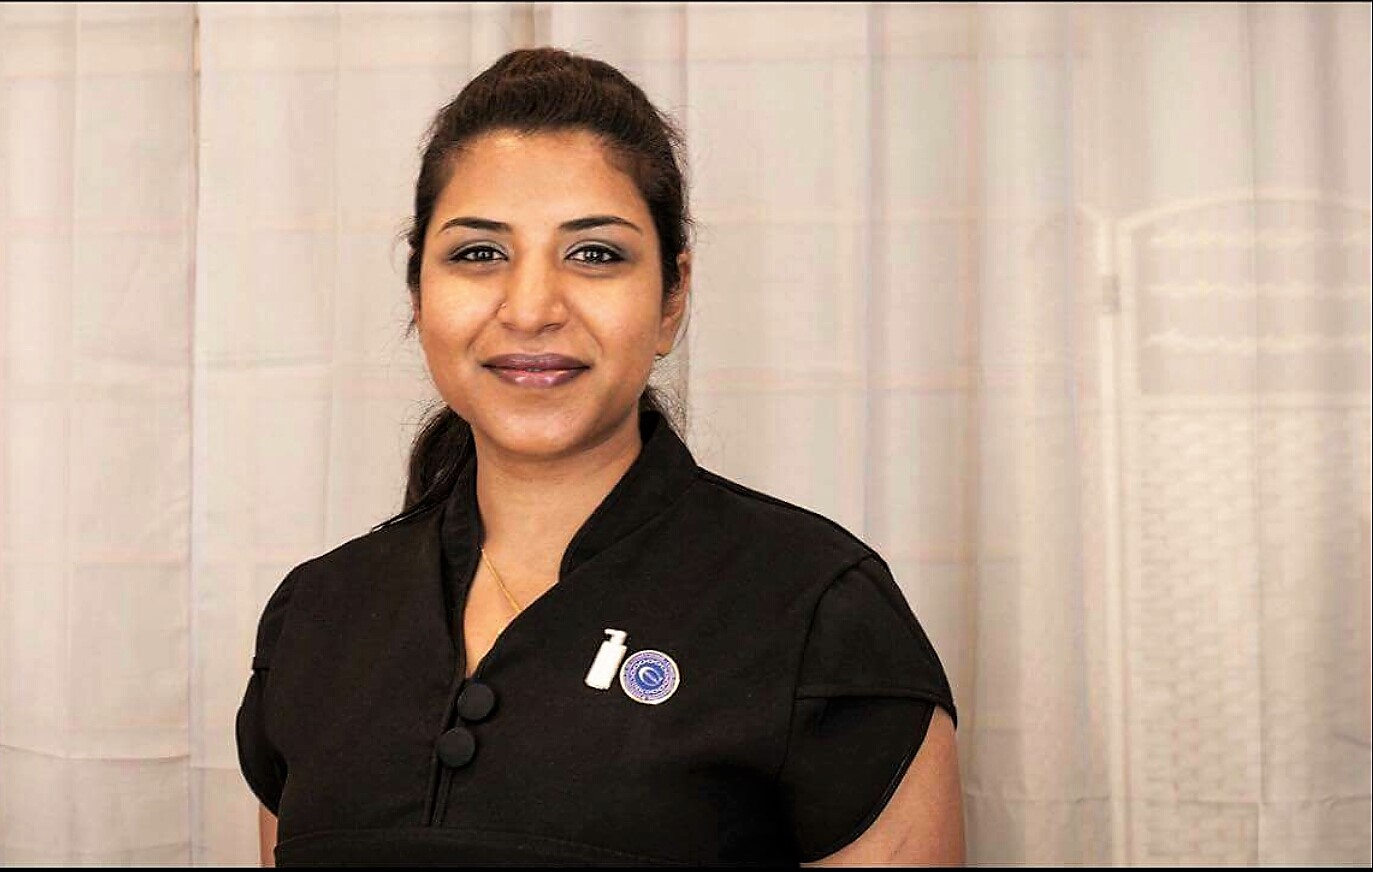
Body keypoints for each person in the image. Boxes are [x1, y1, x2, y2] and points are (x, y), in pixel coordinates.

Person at [236, 47, 962, 867]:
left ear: (671, 299)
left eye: (594, 254)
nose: (531, 309)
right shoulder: (316, 616)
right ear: (418, 294)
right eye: (478, 253)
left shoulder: (817, 608)